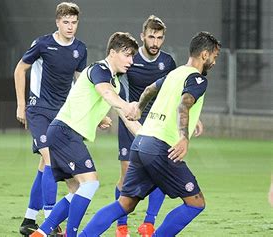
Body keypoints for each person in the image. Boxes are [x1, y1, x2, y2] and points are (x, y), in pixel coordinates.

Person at [79, 31, 221, 237]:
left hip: (141, 142)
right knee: (195, 203)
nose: (215, 62)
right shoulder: (197, 79)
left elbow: (149, 89)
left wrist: (138, 108)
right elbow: (184, 104)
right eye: (215, 57)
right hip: (161, 148)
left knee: (125, 204)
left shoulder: (175, 73)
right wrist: (184, 138)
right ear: (205, 55)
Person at [29, 32, 141, 237]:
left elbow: (127, 118)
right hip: (65, 133)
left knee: (76, 192)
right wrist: (126, 105)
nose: (131, 61)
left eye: (133, 56)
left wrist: (145, 137)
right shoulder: (99, 69)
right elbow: (105, 93)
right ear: (113, 52)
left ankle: (42, 232)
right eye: (127, 55)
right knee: (90, 183)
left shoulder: (115, 83)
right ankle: (71, 235)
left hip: (63, 134)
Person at [13, 2, 87, 236]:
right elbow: (19, 70)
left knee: (45, 165)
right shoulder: (43, 44)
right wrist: (21, 105)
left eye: (74, 22)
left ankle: (29, 220)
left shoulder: (80, 49)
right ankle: (50, 222)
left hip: (63, 115)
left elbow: (81, 84)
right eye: (66, 22)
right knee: (50, 160)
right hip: (39, 111)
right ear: (57, 22)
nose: (70, 27)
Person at [114, 15, 177, 237]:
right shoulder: (130, 61)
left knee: (159, 174)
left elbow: (175, 93)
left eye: (159, 38)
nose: (155, 42)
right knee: (126, 177)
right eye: (151, 36)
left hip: (157, 126)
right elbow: (117, 91)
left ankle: (148, 224)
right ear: (142, 36)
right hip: (131, 123)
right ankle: (121, 226)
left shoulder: (168, 62)